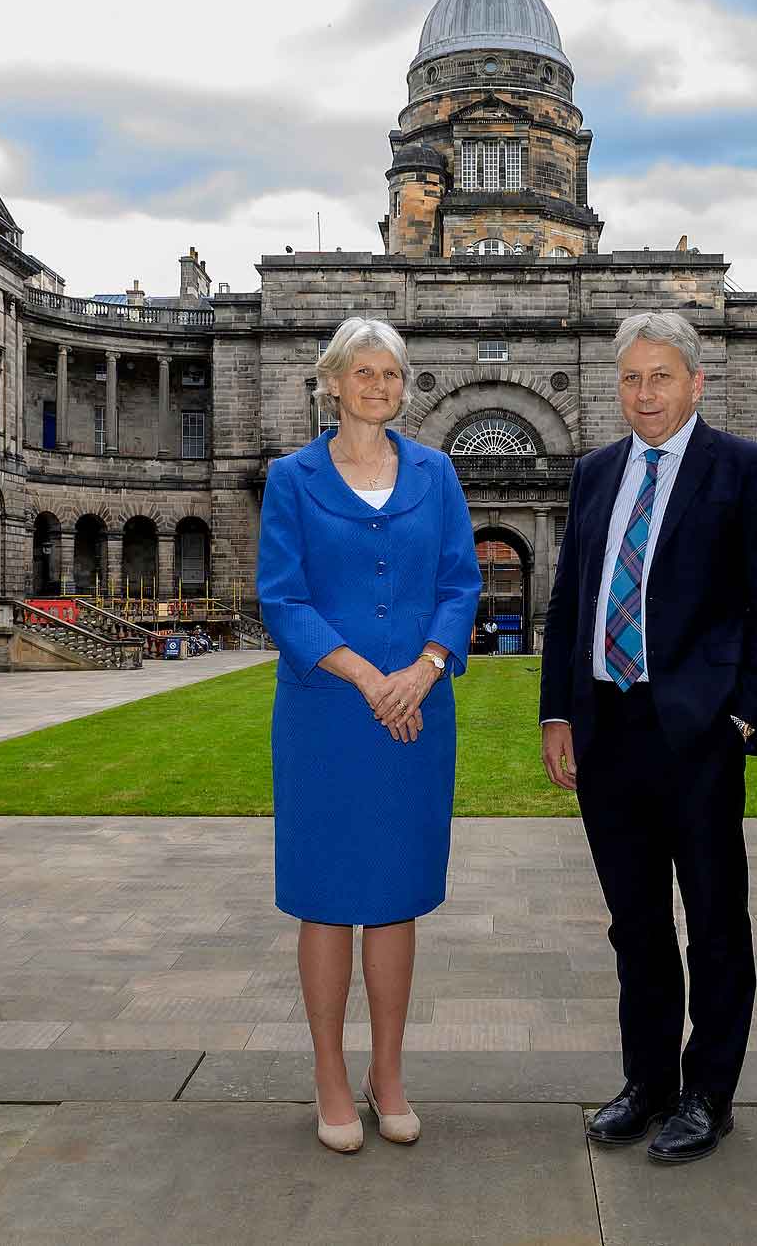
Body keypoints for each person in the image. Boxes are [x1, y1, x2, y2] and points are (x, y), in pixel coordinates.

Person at [539, 311, 757, 1165]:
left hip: (698, 729)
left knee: (716, 921)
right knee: (635, 924)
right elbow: (570, 601)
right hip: (609, 726)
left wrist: (745, 712)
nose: (644, 394)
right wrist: (556, 711)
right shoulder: (593, 472)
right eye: (631, 379)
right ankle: (646, 1082)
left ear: (695, 382)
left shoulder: (744, 468)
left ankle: (708, 1094)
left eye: (660, 376)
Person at [257, 315, 483, 1155]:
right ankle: (329, 1077)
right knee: (325, 899)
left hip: (416, 714)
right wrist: (365, 675)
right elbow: (283, 598)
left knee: (393, 900)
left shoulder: (437, 472)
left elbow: (461, 584)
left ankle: (388, 1075)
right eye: (363, 372)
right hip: (326, 712)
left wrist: (422, 669)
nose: (378, 385)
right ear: (331, 381)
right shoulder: (292, 476)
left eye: (392, 373)